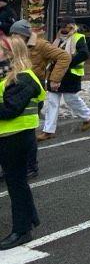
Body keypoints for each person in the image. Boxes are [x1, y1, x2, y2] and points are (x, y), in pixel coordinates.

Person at [0, 35, 46, 249]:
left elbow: (10, 109)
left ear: (11, 53)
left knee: (16, 184)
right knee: (17, 184)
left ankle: (22, 230)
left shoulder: (23, 78)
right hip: (9, 137)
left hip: (17, 139)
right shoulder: (8, 76)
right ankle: (28, 219)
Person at [9, 20, 70, 177]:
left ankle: (31, 166)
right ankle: (10, 165)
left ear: (25, 35)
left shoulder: (41, 45)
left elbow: (64, 56)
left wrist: (55, 79)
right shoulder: (12, 46)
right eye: (12, 34)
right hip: (14, 92)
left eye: (16, 34)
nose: (13, 37)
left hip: (33, 93)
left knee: (27, 132)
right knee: (12, 132)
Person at [39, 17, 90, 141]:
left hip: (71, 73)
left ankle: (88, 116)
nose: (63, 28)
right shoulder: (58, 38)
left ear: (71, 26)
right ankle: (48, 130)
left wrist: (67, 62)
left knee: (70, 98)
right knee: (52, 100)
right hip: (57, 73)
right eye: (61, 26)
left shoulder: (78, 37)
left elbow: (84, 54)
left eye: (65, 26)